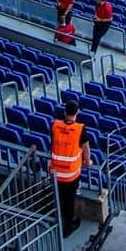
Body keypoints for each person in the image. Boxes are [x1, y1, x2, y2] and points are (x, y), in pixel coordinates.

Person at [49, 98, 91, 236]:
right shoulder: (80, 129)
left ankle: (57, 222)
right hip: (71, 174)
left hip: (55, 173)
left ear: (65, 111)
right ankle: (67, 228)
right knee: (69, 201)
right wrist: (87, 161)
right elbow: (86, 148)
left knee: (59, 198)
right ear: (77, 112)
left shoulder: (54, 125)